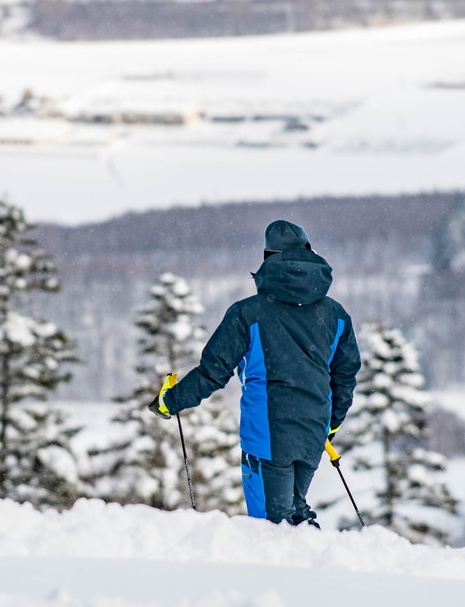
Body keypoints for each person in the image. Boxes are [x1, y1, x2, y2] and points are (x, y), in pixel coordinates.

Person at [148, 219, 361, 526]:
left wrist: (170, 401)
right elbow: (345, 375)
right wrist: (330, 424)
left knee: (270, 530)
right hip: (312, 434)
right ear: (309, 253)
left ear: (267, 259)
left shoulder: (248, 313)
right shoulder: (335, 314)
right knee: (293, 518)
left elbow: (213, 372)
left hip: (267, 438)